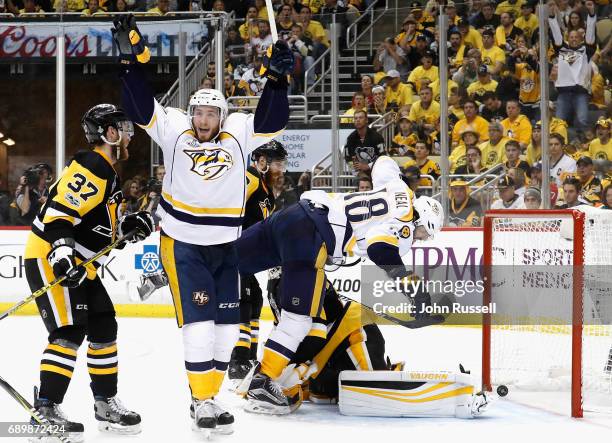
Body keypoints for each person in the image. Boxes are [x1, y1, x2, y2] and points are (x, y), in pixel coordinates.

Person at [112, 15, 293, 434]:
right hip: (183, 245)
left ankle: (207, 398)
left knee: (228, 332)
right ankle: (201, 401)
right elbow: (141, 108)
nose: (205, 119)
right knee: (199, 326)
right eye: (199, 112)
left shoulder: (237, 131)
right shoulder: (175, 129)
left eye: (212, 113)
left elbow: (272, 119)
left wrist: (279, 81)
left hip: (227, 247)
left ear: (223, 114)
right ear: (190, 112)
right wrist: (129, 65)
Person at [235, 152, 444, 413]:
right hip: (311, 237)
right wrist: (418, 295)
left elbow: (383, 162)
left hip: (294, 215)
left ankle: (181, 264)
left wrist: (392, 173)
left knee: (227, 260)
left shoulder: (400, 188)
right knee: (298, 321)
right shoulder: (404, 227)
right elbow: (382, 251)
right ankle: (263, 379)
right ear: (420, 219)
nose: (422, 239)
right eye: (425, 232)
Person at [23, 104, 155, 441]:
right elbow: (58, 214)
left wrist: (126, 226)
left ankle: (105, 403)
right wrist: (63, 251)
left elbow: (93, 224)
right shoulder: (93, 164)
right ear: (109, 133)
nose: (128, 135)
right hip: (52, 257)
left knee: (103, 325)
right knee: (68, 331)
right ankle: (47, 408)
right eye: (122, 128)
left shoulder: (107, 170)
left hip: (81, 265)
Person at [228, 141, 288, 383]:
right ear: (261, 161)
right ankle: (237, 360)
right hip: (233, 253)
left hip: (247, 257)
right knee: (243, 301)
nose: (281, 169)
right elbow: (228, 204)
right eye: (277, 163)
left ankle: (249, 356)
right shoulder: (250, 177)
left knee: (255, 300)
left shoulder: (267, 191)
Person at [548, 0, 597, 132]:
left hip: (580, 92)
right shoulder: (562, 49)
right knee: (558, 123)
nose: (574, 39)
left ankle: (583, 145)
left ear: (581, 38)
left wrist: (591, 14)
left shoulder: (587, 50)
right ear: (568, 38)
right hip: (563, 93)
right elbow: (556, 34)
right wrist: (552, 16)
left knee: (582, 120)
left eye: (577, 37)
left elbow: (591, 33)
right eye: (571, 37)